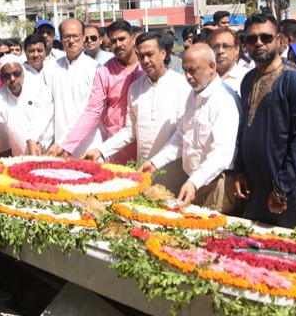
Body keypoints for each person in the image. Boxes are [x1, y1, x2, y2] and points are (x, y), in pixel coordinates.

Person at [234, 14, 296, 228]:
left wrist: (281, 188)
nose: (258, 43)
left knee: (284, 253)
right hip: (253, 189)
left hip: (285, 192)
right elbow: (244, 129)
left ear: (279, 39)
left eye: (265, 37)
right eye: (251, 39)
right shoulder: (247, 80)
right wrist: (240, 170)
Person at [83, 32, 189, 190]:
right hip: (143, 170)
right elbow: (130, 131)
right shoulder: (135, 88)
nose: (145, 61)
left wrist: (157, 161)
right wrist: (101, 150)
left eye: (150, 55)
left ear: (163, 53)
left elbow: (183, 134)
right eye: (141, 56)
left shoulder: (182, 85)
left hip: (174, 173)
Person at [141, 44, 241, 212]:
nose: (187, 77)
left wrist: (195, 181)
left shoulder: (224, 101)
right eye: (185, 70)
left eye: (193, 70)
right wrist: (155, 163)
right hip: (194, 181)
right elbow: (181, 137)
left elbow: (221, 154)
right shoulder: (193, 94)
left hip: (215, 186)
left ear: (211, 66)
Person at [48, 20, 145, 163]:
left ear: (133, 39)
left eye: (122, 39)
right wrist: (67, 145)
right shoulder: (104, 72)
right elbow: (93, 111)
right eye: (113, 41)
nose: (118, 44)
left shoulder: (147, 65)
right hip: (117, 143)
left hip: (147, 136)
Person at [0, 54, 54, 158]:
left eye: (16, 73)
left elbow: (49, 117)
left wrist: (42, 143)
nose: (12, 79)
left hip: (44, 152)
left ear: (23, 73)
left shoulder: (37, 88)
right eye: (7, 76)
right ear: (1, 78)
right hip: (18, 159)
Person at [42, 19, 99, 158]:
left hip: (87, 146)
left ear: (83, 37)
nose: (71, 41)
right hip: (59, 148)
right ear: (61, 39)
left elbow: (88, 112)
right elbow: (45, 107)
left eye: (76, 36)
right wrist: (38, 140)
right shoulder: (52, 67)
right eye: (67, 36)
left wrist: (64, 142)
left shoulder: (94, 69)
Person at [208, 28, 250, 97]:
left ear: (237, 49)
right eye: (215, 47)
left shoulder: (246, 79)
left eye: (226, 46)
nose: (220, 51)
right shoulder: (203, 78)